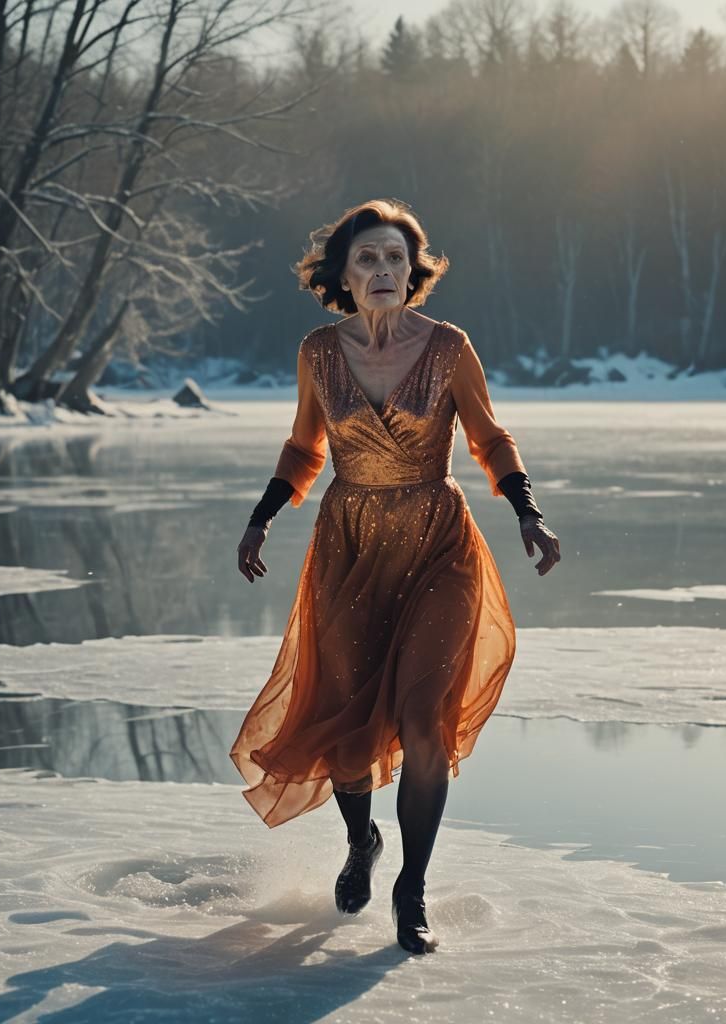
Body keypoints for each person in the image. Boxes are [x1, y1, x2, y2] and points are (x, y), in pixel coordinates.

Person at [230, 198, 560, 955]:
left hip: (438, 545)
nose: (382, 270)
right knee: (346, 728)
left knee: (422, 720)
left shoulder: (448, 347)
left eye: (394, 259)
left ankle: (412, 886)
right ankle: (361, 844)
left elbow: (489, 436)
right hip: (348, 548)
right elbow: (304, 450)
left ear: (414, 273)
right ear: (344, 276)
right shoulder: (319, 351)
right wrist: (261, 517)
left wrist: (526, 511)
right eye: (367, 260)